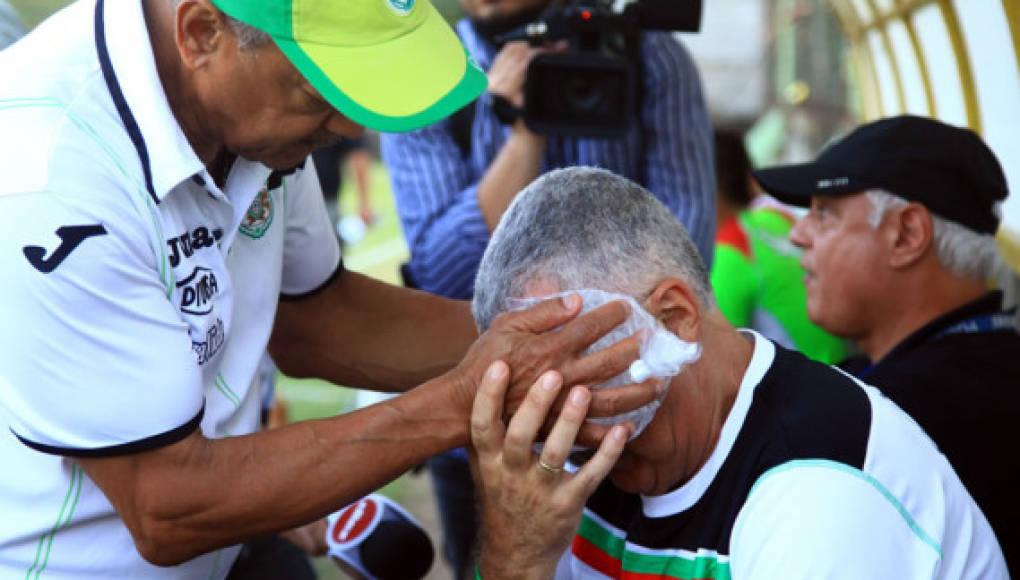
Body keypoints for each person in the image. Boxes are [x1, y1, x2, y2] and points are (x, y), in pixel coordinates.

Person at [0, 1, 657, 577]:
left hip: (227, 548)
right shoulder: (46, 173)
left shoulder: (246, 114)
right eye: (321, 91)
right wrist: (465, 399)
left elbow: (316, 318)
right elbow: (166, 501)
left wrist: (561, 342)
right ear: (201, 33)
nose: (347, 127)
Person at [467, 167, 1007, 579]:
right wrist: (512, 552)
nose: (543, 417)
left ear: (673, 321)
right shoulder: (573, 457)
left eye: (570, 370)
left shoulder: (819, 494)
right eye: (528, 383)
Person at [381, 1, 716, 571]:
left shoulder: (649, 56)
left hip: (637, 410)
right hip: (491, 415)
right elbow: (439, 273)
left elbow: (686, 256)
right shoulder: (423, 71)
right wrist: (523, 133)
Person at [752, 114, 1020, 573]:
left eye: (824, 213)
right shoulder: (989, 366)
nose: (799, 234)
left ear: (907, 234)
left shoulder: (896, 411)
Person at [711, 128, 846, 363]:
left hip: (811, 388)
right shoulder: (778, 218)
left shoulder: (729, 250)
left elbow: (715, 360)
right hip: (846, 368)